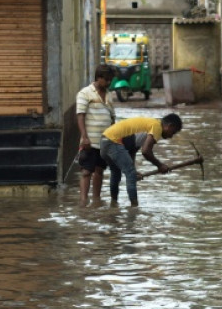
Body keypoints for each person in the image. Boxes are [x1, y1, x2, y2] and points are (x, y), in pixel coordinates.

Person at [100, 114, 183, 206]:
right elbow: (146, 151)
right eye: (173, 132)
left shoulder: (148, 126)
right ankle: (134, 208)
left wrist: (134, 170)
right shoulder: (157, 126)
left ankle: (113, 204)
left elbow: (132, 150)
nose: (171, 136)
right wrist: (160, 165)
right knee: (130, 174)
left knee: (116, 172)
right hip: (113, 141)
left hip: (104, 140)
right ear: (170, 126)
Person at [76, 65, 116, 205]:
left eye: (110, 80)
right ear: (98, 78)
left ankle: (96, 200)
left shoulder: (109, 94)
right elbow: (80, 116)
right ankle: (83, 202)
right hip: (89, 141)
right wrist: (84, 137)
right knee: (86, 171)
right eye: (107, 79)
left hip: (105, 142)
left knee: (99, 171)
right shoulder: (85, 93)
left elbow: (112, 118)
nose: (109, 82)